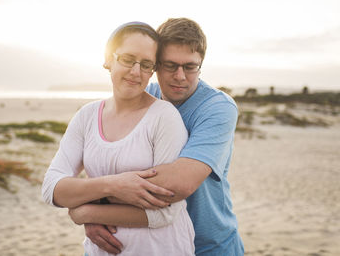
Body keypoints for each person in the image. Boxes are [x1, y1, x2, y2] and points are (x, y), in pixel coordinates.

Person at [80, 18, 245, 255]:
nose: (180, 76)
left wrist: (89, 208)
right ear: (155, 65)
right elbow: (103, 160)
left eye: (190, 66)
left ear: (200, 65)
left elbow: (178, 184)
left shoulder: (217, 107)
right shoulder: (145, 96)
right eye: (170, 65)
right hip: (150, 245)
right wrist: (92, 210)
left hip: (209, 246)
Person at [42, 22, 195, 255]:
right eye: (127, 59)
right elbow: (52, 188)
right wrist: (112, 185)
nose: (136, 72)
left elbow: (165, 211)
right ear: (108, 58)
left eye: (146, 65)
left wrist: (85, 212)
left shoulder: (164, 117)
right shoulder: (87, 116)